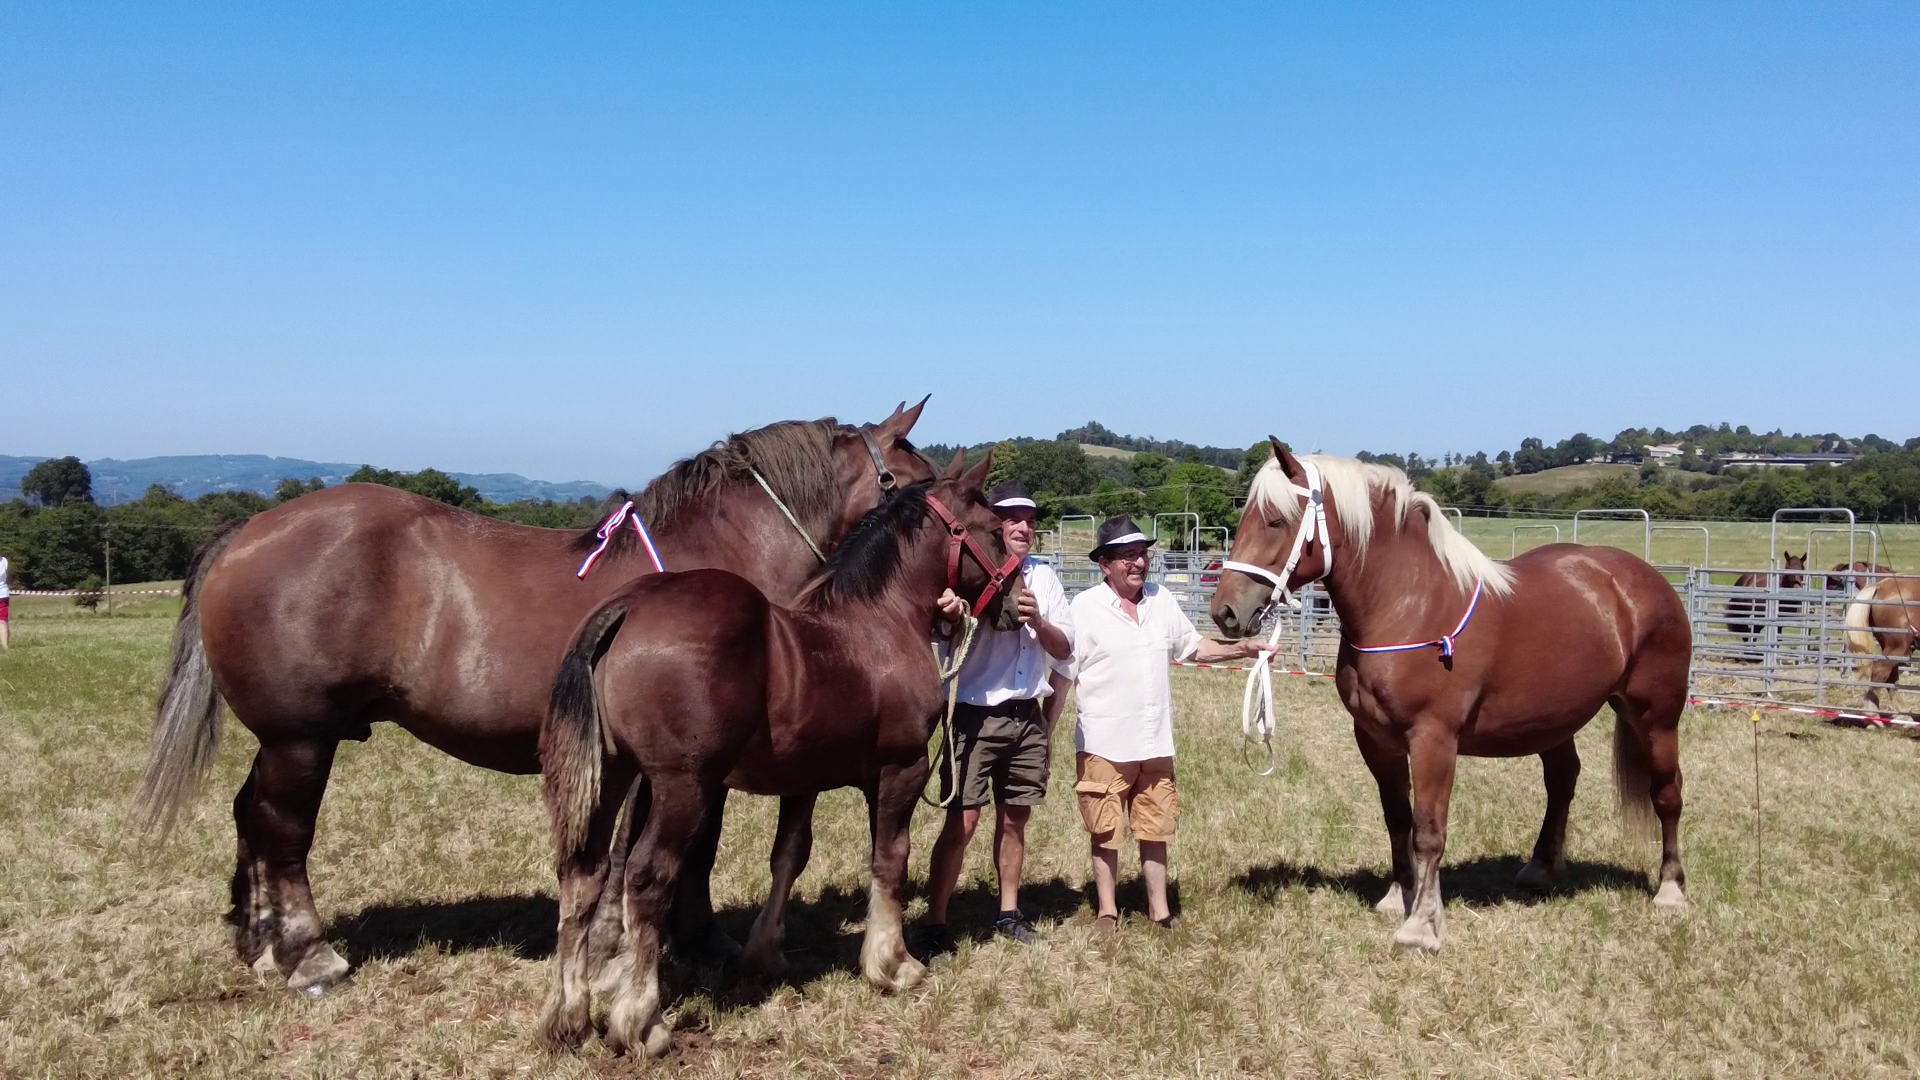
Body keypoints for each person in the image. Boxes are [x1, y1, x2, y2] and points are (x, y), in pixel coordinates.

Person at [1069, 516, 1267, 934]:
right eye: (1127, 556)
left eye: (1142, 554)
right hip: (1104, 741)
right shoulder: (1083, 609)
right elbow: (1063, 673)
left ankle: (1160, 911)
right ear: (1105, 564)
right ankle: (1108, 910)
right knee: (1106, 830)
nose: (1138, 563)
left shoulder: (1161, 600)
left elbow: (1194, 647)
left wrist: (1243, 649)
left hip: (1155, 741)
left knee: (1155, 827)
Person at [919, 481, 1074, 953]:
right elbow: (941, 632)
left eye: (1030, 519)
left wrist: (1039, 622)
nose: (1024, 527)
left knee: (1015, 820)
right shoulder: (966, 572)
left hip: (1027, 714)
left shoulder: (1044, 576)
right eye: (1012, 519)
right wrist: (951, 612)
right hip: (973, 713)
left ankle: (1008, 912)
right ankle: (935, 921)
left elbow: (1066, 648)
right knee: (962, 823)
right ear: (994, 525)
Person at [0, 552, 10, 650]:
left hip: (2, 595)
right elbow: (8, 577)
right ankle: (5, 646)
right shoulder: (5, 561)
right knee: (3, 621)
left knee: (2, 621)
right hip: (3, 594)